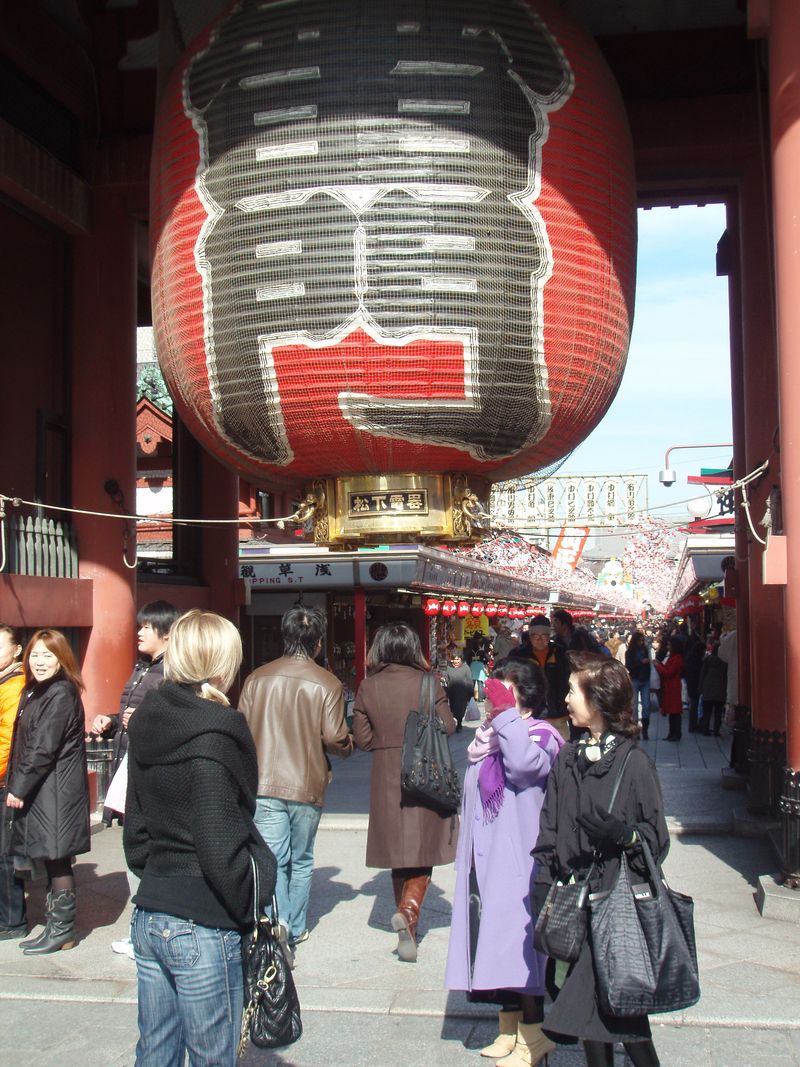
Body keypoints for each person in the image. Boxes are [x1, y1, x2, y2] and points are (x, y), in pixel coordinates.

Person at [124, 609, 276, 1067]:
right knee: (213, 1056)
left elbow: (135, 833)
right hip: (202, 919)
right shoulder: (214, 734)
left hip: (151, 910)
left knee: (156, 1051)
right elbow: (219, 845)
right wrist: (255, 890)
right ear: (221, 665)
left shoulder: (148, 720)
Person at [532, 653, 668, 1067]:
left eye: (574, 691)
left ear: (599, 700)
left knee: (615, 1015)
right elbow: (549, 829)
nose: (567, 699)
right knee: (599, 1015)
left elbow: (656, 840)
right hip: (575, 904)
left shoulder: (633, 763)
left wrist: (625, 836)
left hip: (615, 905)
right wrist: (544, 884)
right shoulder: (567, 758)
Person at [446, 663, 563, 1067]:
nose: (494, 697)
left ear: (523, 695)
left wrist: (507, 715)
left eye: (504, 691)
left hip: (520, 858)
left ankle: (534, 1037)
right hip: (485, 855)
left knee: (521, 949)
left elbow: (524, 767)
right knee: (493, 943)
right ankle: (507, 1027)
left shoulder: (542, 736)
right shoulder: (492, 736)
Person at [239, 605, 353, 959]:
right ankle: (296, 925)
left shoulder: (257, 678)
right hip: (307, 783)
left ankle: (277, 919)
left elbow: (240, 729)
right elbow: (336, 737)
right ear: (318, 643)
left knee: (273, 858)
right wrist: (348, 745)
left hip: (263, 782)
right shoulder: (328, 683)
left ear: (285, 637)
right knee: (302, 859)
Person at [352, 622, 458, 963]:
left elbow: (363, 740)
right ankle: (410, 911)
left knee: (399, 855)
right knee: (424, 848)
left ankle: (407, 928)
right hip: (426, 770)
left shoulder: (368, 687)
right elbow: (450, 726)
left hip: (387, 777)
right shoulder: (428, 683)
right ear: (414, 649)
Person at [89, 599, 181, 958]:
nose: (139, 632)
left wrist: (139, 721)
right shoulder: (144, 667)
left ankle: (148, 932)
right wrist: (111, 719)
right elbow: (130, 712)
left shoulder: (172, 675)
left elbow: (171, 723)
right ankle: (145, 930)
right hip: (129, 766)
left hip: (149, 775)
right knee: (137, 854)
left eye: (146, 627)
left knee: (144, 856)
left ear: (167, 634)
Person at [5, 629, 90, 954]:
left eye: (48, 656)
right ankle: (56, 929)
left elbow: (43, 748)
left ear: (62, 659)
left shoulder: (61, 693)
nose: (40, 662)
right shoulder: (36, 690)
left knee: (58, 860)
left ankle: (63, 931)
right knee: (52, 860)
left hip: (56, 793)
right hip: (46, 791)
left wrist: (19, 786)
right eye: (35, 655)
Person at [0, 623, 26, 940]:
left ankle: (12, 920)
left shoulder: (14, 685)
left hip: (6, 779)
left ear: (17, 649)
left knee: (5, 855)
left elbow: (6, 738)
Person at [527, 614, 570, 740]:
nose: (539, 640)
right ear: (530, 636)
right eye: (535, 636)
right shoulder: (520, 654)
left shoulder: (561, 653)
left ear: (549, 635)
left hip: (558, 716)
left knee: (561, 752)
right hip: (531, 716)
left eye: (544, 635)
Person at [655, 635, 685, 741]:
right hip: (669, 687)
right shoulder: (673, 657)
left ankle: (676, 733)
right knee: (672, 712)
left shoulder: (677, 658)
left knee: (675, 712)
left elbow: (669, 672)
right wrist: (659, 665)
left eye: (669, 645)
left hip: (673, 687)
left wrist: (658, 667)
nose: (668, 647)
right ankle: (672, 733)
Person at [625, 631, 651, 739]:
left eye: (642, 640)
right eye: (639, 640)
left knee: (646, 706)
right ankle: (635, 731)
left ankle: (645, 730)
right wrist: (641, 662)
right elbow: (629, 665)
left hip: (645, 679)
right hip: (635, 679)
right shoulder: (630, 652)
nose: (641, 642)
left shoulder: (645, 650)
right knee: (634, 706)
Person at [698, 641, 727, 736]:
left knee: (707, 711)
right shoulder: (724, 661)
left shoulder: (708, 660)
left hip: (708, 688)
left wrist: (700, 687)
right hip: (720, 689)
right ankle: (716, 730)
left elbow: (703, 674)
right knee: (718, 713)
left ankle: (705, 729)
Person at [444, 652, 474, 732]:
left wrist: (471, 692)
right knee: (452, 708)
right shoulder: (449, 668)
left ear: (461, 659)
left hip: (462, 692)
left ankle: (459, 723)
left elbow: (469, 680)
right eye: (454, 659)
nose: (456, 661)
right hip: (452, 692)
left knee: (460, 708)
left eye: (458, 659)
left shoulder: (466, 668)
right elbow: (447, 679)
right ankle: (454, 721)